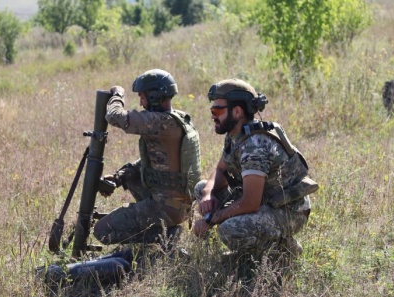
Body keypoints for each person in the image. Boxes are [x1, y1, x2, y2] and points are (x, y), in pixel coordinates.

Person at [193, 79, 318, 261]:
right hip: (263, 200)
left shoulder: (254, 147)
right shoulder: (236, 135)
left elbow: (250, 202)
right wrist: (207, 194)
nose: (213, 116)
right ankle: (238, 251)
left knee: (229, 229)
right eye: (212, 110)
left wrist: (211, 219)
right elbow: (220, 169)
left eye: (217, 110)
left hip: (288, 211)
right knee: (202, 187)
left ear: (237, 112)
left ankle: (283, 251)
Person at [93, 69, 202, 248]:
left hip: (166, 208)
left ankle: (162, 238)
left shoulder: (160, 122)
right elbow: (157, 161)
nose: (141, 103)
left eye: (143, 97)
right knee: (132, 174)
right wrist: (120, 176)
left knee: (102, 231)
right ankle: (162, 232)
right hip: (178, 205)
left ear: (155, 97)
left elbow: (114, 116)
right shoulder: (176, 119)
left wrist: (118, 94)